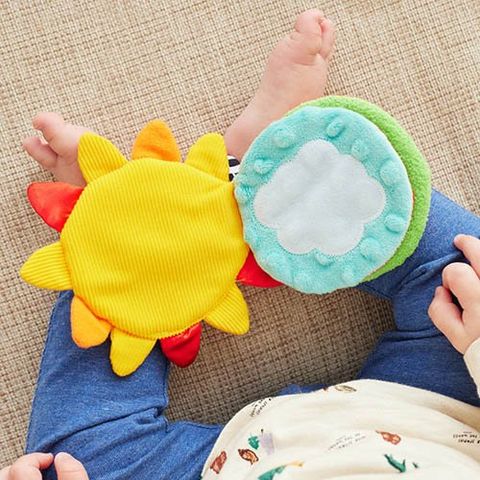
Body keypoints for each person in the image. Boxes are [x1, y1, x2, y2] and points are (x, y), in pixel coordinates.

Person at [2, 8, 480, 479]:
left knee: (75, 461)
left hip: (233, 469)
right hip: (431, 429)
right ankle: (255, 184)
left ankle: (120, 230)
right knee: (463, 270)